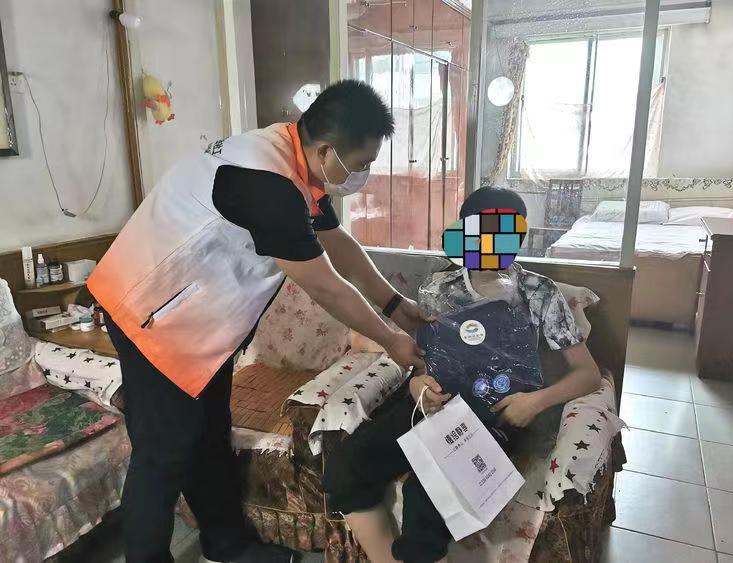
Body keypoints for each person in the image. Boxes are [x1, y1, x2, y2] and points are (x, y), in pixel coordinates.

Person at [87, 80, 428, 563]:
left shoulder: (295, 165)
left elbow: (340, 246)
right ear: (327, 150)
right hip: (149, 316)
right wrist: (391, 339)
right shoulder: (266, 182)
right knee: (164, 452)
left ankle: (225, 545)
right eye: (361, 163)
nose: (363, 174)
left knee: (210, 434)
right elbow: (326, 285)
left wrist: (395, 305)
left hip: (197, 327)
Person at [322, 187, 602, 563]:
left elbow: (588, 374)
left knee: (427, 497)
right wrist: (418, 384)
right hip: (433, 407)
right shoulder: (440, 288)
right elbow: (425, 359)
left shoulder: (539, 293)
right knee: (347, 465)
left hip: (496, 416)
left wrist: (535, 402)